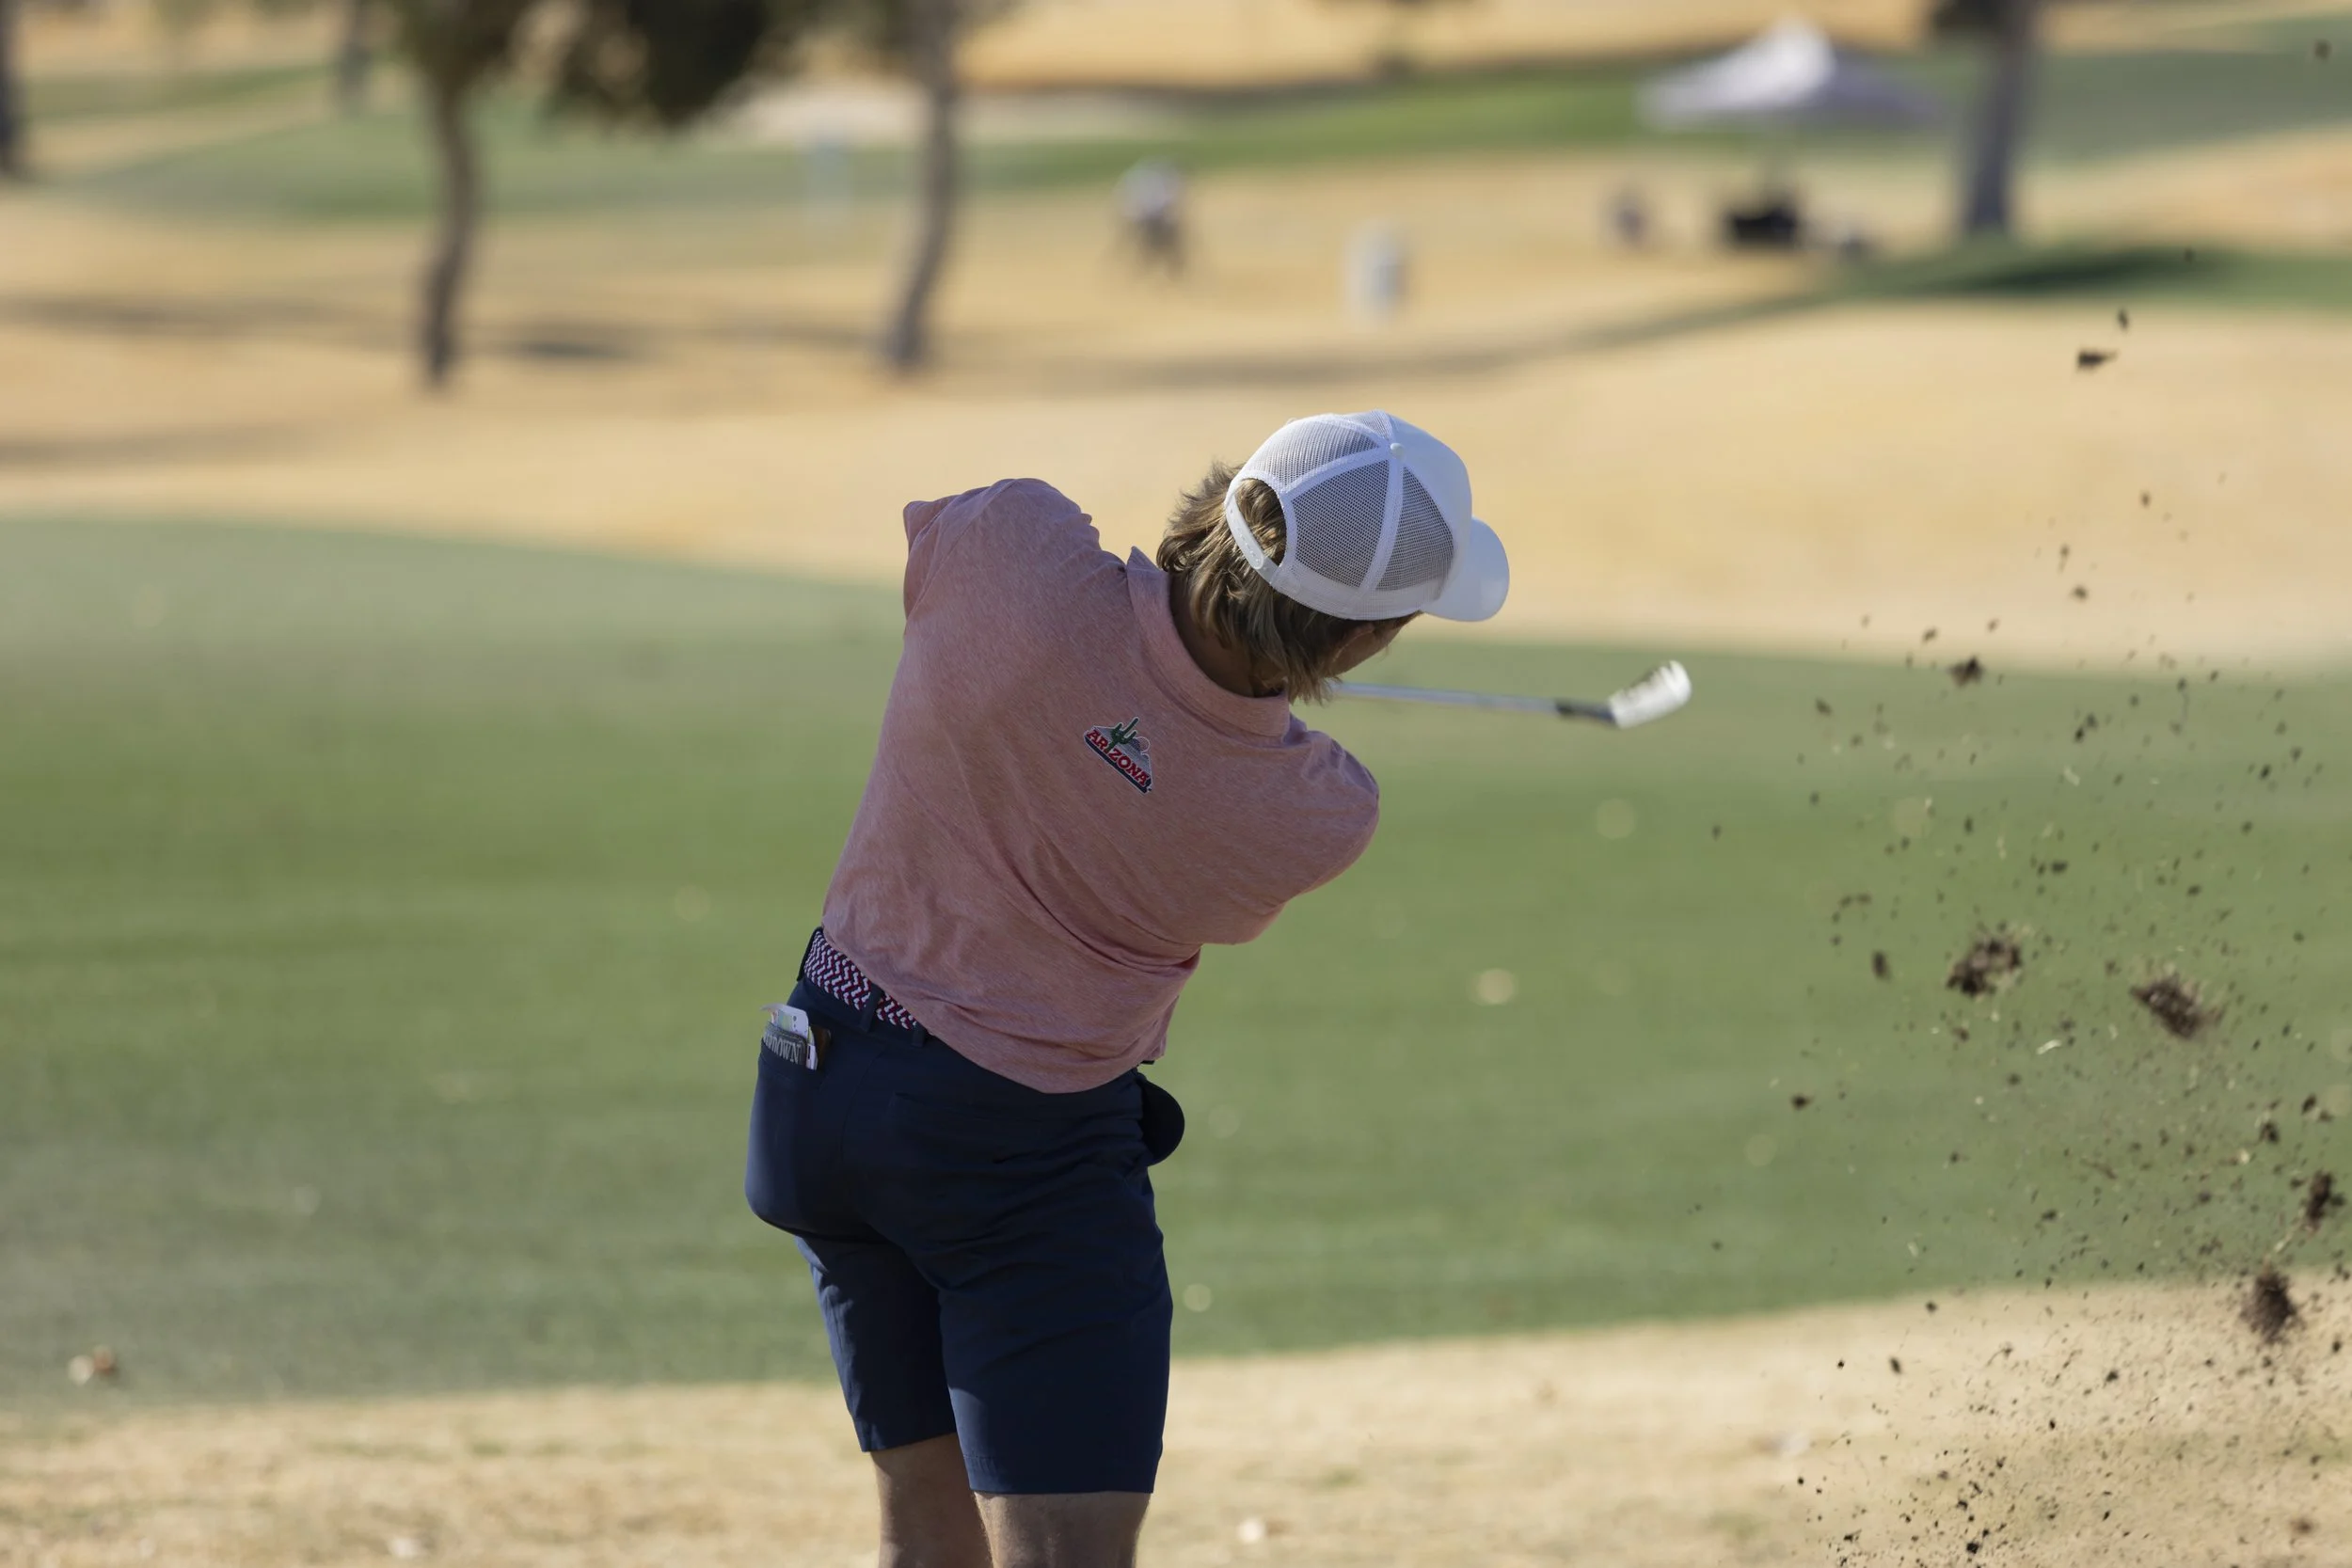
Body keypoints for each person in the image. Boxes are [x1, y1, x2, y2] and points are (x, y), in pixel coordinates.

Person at [744, 411, 1510, 1568]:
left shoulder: (1015, 546)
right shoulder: (1316, 815)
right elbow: (1194, 767)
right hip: (1013, 1159)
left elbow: (1001, 599)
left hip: (819, 1087)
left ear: (1220, 501)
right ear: (1358, 644)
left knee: (926, 1530)